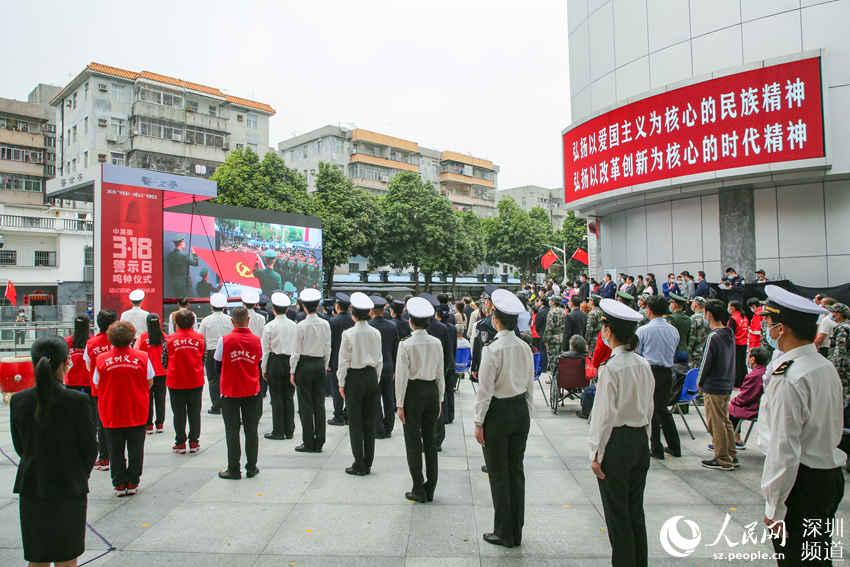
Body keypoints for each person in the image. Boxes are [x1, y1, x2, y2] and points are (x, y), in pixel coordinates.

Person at [758, 285, 845, 565]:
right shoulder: (823, 365)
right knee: (817, 558)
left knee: (795, 559)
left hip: (801, 485)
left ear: (781, 329)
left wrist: (774, 506)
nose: (765, 330)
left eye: (768, 324)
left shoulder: (790, 376)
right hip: (827, 478)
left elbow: (784, 447)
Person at [11, 336, 98, 567]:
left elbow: (21, 446)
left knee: (37, 556)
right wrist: (79, 473)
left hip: (32, 485)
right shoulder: (77, 400)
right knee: (67, 557)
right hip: (69, 487)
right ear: (66, 362)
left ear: (32, 362)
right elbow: (90, 448)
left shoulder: (18, 400)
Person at [588, 299, 654, 567]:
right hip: (639, 440)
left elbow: (603, 417)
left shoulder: (610, 368)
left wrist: (595, 453)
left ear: (610, 331)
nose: (602, 333)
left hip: (616, 443)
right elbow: (648, 408)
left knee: (617, 515)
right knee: (635, 510)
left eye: (604, 327)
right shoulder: (643, 364)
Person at [474, 289, 533, 548]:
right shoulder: (524, 347)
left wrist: (479, 422)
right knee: (515, 471)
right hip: (520, 411)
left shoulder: (493, 349)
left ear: (495, 319)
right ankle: (515, 530)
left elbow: (485, 391)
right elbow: (530, 385)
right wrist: (527, 412)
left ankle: (503, 531)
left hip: (497, 414)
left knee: (499, 474)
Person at [93, 321, 154, 496]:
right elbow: (149, 382)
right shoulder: (142, 357)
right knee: (136, 447)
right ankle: (133, 481)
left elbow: (97, 384)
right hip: (136, 409)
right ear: (131, 337)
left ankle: (119, 484)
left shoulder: (101, 359)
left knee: (115, 449)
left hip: (111, 410)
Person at [396, 297, 444, 502]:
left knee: (414, 442)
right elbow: (440, 372)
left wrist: (400, 404)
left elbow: (401, 377)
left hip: (413, 393)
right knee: (431, 442)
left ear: (410, 321)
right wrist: (440, 398)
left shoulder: (406, 344)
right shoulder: (436, 343)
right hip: (432, 391)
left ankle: (418, 487)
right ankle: (430, 487)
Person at [214, 306, 263, 479]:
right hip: (251, 391)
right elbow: (258, 362)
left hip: (230, 391)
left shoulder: (224, 340)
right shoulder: (257, 340)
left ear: (232, 321)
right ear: (248, 320)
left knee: (232, 430)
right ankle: (251, 467)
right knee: (251, 429)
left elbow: (217, 366)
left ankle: (234, 469)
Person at [337, 293, 382, 475]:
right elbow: (379, 360)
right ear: (369, 313)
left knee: (355, 422)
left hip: (354, 378)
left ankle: (359, 463)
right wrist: (375, 379)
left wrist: (341, 383)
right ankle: (368, 461)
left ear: (352, 313)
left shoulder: (348, 334)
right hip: (371, 376)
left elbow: (343, 362)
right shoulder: (376, 332)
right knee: (369, 421)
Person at [635, 295, 681, 459]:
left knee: (651, 409)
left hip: (649, 371)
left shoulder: (643, 330)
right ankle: (675, 446)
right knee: (663, 410)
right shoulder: (673, 329)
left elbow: (637, 353)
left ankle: (656, 448)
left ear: (648, 310)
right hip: (667, 371)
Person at [697, 299, 738, 471]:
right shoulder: (729, 333)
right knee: (724, 420)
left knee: (716, 422)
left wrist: (699, 382)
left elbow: (705, 362)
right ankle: (731, 454)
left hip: (713, 385)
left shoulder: (713, 336)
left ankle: (722, 458)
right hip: (726, 382)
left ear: (709, 314)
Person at [290, 288, 332, 453]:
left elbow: (295, 351)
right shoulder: (325, 324)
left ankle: (308, 442)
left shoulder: (300, 325)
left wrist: (292, 371)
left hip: (304, 365)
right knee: (319, 404)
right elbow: (328, 347)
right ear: (318, 305)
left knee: (305, 405)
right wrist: (324, 365)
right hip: (319, 364)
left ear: (304, 307)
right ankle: (319, 441)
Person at [163, 310, 206, 454]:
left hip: (176, 381)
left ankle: (180, 443)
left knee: (179, 412)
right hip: (195, 379)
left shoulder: (169, 339)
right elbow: (203, 358)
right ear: (193, 322)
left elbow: (164, 360)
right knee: (195, 412)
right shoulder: (200, 338)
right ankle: (194, 442)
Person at [84, 309, 117, 472]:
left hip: (99, 390)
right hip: (118, 388)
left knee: (102, 423)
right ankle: (118, 455)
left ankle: (104, 458)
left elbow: (89, 366)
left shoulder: (91, 343)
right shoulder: (119, 340)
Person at [261, 292, 298, 440]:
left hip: (275, 362)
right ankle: (289, 430)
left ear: (273, 310)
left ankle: (278, 431)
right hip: (290, 362)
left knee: (276, 397)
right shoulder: (295, 326)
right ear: (287, 309)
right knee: (289, 396)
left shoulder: (269, 326)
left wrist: (264, 368)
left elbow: (265, 350)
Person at [369, 295, 400, 440]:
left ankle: (378, 429)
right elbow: (395, 348)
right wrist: (394, 367)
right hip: (388, 366)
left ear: (371, 311)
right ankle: (389, 427)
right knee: (388, 398)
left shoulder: (369, 326)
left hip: (374, 367)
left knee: (375, 398)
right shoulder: (392, 325)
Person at [198, 293, 233, 415]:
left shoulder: (206, 320)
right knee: (228, 378)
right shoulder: (230, 320)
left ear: (211, 307)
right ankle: (228, 402)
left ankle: (216, 405)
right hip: (227, 352)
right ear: (224, 307)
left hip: (211, 351)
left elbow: (200, 337)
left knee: (213, 379)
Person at [727, 347, 768, 448]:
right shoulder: (764, 371)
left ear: (753, 359)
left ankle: (729, 441)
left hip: (755, 407)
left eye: (748, 356)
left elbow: (745, 397)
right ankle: (736, 439)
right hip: (760, 404)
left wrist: (733, 401)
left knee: (730, 408)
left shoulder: (754, 375)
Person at [133, 313, 167, 435]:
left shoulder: (142, 338)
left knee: (147, 399)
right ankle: (160, 423)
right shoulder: (165, 337)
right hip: (162, 373)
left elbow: (136, 353)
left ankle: (149, 424)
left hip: (146, 374)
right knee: (160, 398)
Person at [328, 292, 355, 426]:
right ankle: (348, 414)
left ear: (337, 307)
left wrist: (327, 361)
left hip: (335, 360)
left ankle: (338, 415)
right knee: (349, 388)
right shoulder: (352, 320)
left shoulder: (333, 321)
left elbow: (330, 343)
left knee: (336, 388)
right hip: (351, 359)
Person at [64, 313, 93, 399]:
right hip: (88, 379)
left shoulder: (66, 341)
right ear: (88, 324)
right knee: (91, 408)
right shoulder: (93, 342)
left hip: (71, 380)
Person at [827, 302, 850, 399]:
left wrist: (832, 369)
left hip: (843, 368)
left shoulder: (842, 329)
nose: (830, 315)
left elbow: (839, 352)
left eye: (832, 312)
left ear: (838, 315)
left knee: (842, 395)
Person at [166, 233, 199, 297]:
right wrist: (194, 253)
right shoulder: (184, 256)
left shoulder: (170, 255)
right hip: (185, 283)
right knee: (187, 301)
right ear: (181, 243)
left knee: (178, 300)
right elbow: (195, 263)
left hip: (175, 282)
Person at [727, 300, 749, 389]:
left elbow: (731, 333)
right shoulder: (744, 318)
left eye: (729, 307)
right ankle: (745, 381)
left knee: (736, 363)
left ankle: (737, 383)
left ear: (733, 308)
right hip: (744, 343)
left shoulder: (734, 318)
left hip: (737, 343)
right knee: (742, 363)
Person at [543, 295, 566, 375]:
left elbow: (549, 327)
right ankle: (561, 376)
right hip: (562, 337)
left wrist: (546, 340)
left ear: (554, 302)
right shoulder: (564, 311)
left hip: (553, 338)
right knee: (561, 358)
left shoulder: (551, 312)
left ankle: (554, 377)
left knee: (552, 358)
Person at [688, 297, 711, 369]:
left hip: (696, 353)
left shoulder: (694, 318)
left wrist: (688, 352)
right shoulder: (708, 317)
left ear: (695, 305)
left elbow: (691, 337)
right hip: (707, 351)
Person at [667, 294, 691, 361]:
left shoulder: (671, 318)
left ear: (674, 305)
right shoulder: (688, 318)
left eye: (671, 304)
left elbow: (670, 337)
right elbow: (688, 337)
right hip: (685, 350)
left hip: (675, 351)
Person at [534, 296, 550, 369]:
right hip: (549, 332)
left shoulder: (541, 311)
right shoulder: (549, 310)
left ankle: (543, 366)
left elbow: (538, 323)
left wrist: (537, 330)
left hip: (542, 332)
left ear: (542, 302)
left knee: (542, 349)